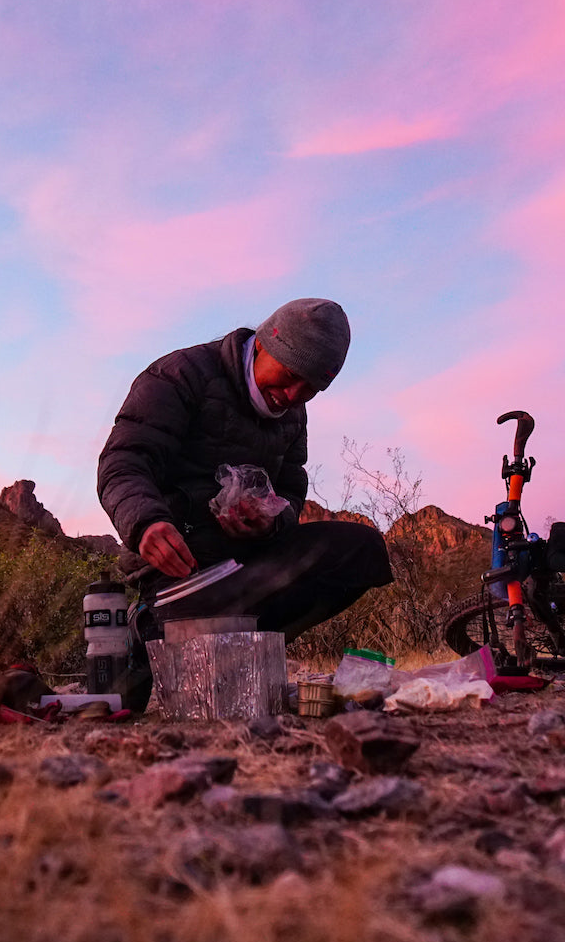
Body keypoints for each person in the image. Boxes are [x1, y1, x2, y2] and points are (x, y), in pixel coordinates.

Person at [97, 298, 394, 706]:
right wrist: (146, 523)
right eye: (289, 376)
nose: (292, 395)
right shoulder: (180, 375)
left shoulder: (294, 412)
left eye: (310, 388)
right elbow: (124, 461)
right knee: (197, 606)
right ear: (262, 345)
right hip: (182, 569)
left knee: (363, 551)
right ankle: (150, 626)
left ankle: (244, 641)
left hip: (248, 563)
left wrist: (271, 522)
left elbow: (291, 487)